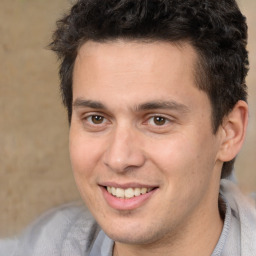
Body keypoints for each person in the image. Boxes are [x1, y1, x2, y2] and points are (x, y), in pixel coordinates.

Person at [1, 0, 256, 255]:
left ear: (229, 133)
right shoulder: (39, 245)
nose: (119, 158)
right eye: (96, 119)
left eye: (158, 120)